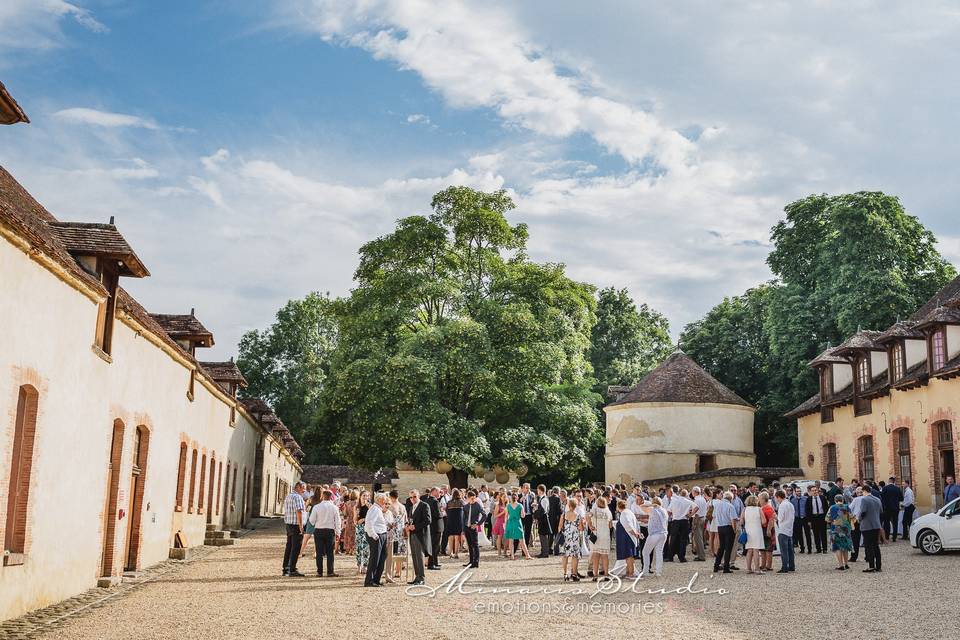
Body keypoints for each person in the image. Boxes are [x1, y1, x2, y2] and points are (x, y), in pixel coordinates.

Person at [308, 489, 342, 577]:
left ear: (323, 496)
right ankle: (330, 571)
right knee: (330, 552)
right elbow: (338, 522)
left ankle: (319, 572)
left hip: (319, 530)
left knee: (319, 552)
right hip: (330, 531)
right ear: (331, 497)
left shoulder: (316, 507)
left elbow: (311, 521)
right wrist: (338, 532)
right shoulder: (334, 508)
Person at [851, 487, 883, 573]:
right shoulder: (877, 499)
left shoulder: (864, 500)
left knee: (869, 546)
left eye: (862, 492)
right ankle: (879, 566)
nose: (862, 494)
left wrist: (859, 519)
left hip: (867, 525)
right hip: (876, 524)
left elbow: (863, 512)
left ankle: (871, 566)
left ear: (865, 491)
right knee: (876, 545)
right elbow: (880, 511)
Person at [405, 490, 430, 585]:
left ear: (418, 496)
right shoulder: (411, 507)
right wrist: (407, 525)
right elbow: (411, 520)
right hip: (412, 534)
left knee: (419, 556)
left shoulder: (424, 505)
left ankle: (422, 578)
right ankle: (417, 577)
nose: (412, 499)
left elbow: (428, 520)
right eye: (411, 497)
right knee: (414, 556)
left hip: (420, 535)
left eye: (414, 496)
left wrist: (415, 526)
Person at [282, 482, 307, 577]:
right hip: (296, 525)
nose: (304, 490)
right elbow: (299, 512)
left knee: (289, 546)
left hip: (289, 524)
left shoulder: (289, 496)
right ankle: (292, 569)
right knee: (296, 548)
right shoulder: (298, 497)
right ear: (298, 487)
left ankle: (286, 568)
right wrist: (301, 526)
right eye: (303, 488)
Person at [363, 494, 388, 587]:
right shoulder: (374, 509)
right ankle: (369, 580)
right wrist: (374, 535)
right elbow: (369, 523)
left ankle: (376, 579)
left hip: (382, 534)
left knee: (382, 557)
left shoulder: (378, 509)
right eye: (384, 500)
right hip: (377, 536)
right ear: (380, 500)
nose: (385, 502)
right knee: (375, 558)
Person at [640, 497, 668, 578]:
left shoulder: (652, 509)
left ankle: (645, 571)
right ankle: (658, 572)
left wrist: (651, 504)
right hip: (663, 533)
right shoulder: (664, 510)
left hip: (655, 534)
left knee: (645, 552)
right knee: (659, 553)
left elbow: (641, 506)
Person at [713, 491, 738, 574]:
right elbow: (733, 519)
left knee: (721, 547)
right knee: (728, 548)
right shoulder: (730, 506)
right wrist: (734, 529)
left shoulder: (717, 505)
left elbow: (714, 516)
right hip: (728, 527)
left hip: (720, 527)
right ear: (730, 498)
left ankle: (716, 566)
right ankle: (726, 567)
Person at [613, 501, 639, 579]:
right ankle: (628, 572)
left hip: (627, 537)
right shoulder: (628, 512)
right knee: (628, 556)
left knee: (629, 556)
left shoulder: (624, 513)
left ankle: (631, 573)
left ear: (618, 506)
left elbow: (627, 525)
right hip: (628, 537)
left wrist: (635, 533)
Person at [588, 496, 612, 581]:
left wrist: (590, 525)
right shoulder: (608, 511)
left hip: (596, 534)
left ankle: (595, 576)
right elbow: (610, 525)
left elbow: (588, 515)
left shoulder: (594, 510)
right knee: (605, 556)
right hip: (605, 535)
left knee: (596, 556)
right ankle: (606, 575)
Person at [560, 499, 584, 581]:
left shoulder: (563, 515)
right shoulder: (578, 515)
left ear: (568, 505)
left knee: (565, 555)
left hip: (566, 536)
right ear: (575, 506)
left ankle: (565, 573)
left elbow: (559, 527)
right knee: (575, 556)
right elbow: (581, 528)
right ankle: (574, 573)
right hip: (575, 537)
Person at [461, 490, 486, 568]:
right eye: (470, 498)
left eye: (473, 498)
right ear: (468, 498)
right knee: (469, 545)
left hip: (473, 527)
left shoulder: (477, 505)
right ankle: (471, 561)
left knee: (475, 544)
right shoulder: (465, 506)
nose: (472, 499)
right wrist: (463, 529)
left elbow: (484, 515)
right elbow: (463, 518)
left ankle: (476, 561)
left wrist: (477, 524)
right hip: (466, 527)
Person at [827, 494, 853, 570]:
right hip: (846, 528)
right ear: (842, 500)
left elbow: (827, 518)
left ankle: (841, 565)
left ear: (835, 500)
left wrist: (833, 520)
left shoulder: (832, 507)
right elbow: (852, 516)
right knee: (845, 545)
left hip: (836, 528)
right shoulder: (847, 507)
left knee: (837, 546)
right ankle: (846, 563)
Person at [742, 495, 766, 574]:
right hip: (757, 530)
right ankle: (757, 569)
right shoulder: (759, 509)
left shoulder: (745, 509)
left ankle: (749, 568)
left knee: (749, 550)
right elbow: (764, 521)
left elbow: (741, 521)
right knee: (756, 550)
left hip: (748, 530)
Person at [387, 490, 407, 581]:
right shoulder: (403, 506)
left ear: (391, 497)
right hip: (401, 531)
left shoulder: (391, 506)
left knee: (392, 552)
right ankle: (398, 571)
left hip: (394, 531)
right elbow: (405, 519)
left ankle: (391, 571)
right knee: (399, 551)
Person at [504, 493, 531, 560]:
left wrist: (505, 525)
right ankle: (527, 555)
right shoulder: (520, 505)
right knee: (522, 540)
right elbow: (523, 516)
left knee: (511, 540)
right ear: (517, 498)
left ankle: (512, 556)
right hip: (517, 523)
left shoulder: (508, 506)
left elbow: (506, 516)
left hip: (510, 524)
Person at [774, 490, 795, 573]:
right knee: (790, 549)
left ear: (779, 497)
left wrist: (775, 516)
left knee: (784, 550)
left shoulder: (782, 505)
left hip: (783, 529)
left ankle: (784, 567)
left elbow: (780, 518)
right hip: (789, 528)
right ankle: (791, 566)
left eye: (776, 498)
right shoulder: (790, 504)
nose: (776, 499)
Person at [806, 486, 829, 553]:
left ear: (818, 491)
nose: (815, 492)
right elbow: (807, 510)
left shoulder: (822, 498)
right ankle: (818, 549)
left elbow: (826, 508)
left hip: (822, 517)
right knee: (816, 534)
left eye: (816, 490)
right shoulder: (809, 499)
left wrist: (827, 518)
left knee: (823, 533)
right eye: (813, 490)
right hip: (814, 518)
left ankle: (825, 549)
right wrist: (809, 521)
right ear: (810, 492)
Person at [424, 488, 442, 570]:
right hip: (436, 526)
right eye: (438, 492)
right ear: (434, 492)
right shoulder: (435, 501)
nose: (440, 493)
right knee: (435, 546)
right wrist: (443, 512)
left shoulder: (427, 500)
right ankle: (431, 564)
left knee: (433, 545)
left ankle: (435, 562)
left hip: (430, 526)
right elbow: (438, 514)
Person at [880, 477, 903, 541]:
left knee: (887, 522)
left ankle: (887, 536)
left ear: (889, 481)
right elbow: (901, 498)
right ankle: (894, 537)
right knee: (895, 522)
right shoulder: (897, 489)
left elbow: (882, 497)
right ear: (894, 482)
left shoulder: (885, 488)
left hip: (887, 508)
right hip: (895, 508)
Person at [789, 485, 810, 553]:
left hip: (805, 518)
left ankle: (809, 548)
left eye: (800, 491)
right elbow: (792, 510)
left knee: (807, 533)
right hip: (797, 518)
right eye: (797, 491)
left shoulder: (805, 498)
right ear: (795, 492)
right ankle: (802, 548)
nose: (799, 492)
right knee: (799, 534)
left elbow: (808, 508)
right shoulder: (792, 500)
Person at [354, 490, 370, 575]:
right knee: (359, 548)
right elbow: (355, 520)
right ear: (360, 496)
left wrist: (363, 519)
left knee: (366, 548)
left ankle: (365, 566)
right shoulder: (357, 507)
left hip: (367, 528)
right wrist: (356, 516)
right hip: (359, 529)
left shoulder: (370, 507)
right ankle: (359, 565)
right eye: (364, 495)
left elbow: (372, 518)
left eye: (367, 496)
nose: (365, 497)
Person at [445, 489, 464, 560]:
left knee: (450, 537)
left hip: (450, 520)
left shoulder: (449, 502)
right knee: (457, 537)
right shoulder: (461, 502)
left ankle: (450, 552)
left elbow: (446, 511)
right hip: (459, 521)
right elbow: (465, 511)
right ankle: (456, 553)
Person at [759, 492, 776, 572]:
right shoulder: (762, 507)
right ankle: (763, 564)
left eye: (760, 498)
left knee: (769, 549)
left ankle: (768, 565)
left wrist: (769, 530)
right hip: (762, 530)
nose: (759, 500)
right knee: (762, 548)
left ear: (763, 499)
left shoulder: (768, 508)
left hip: (767, 529)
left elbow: (771, 520)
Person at [534, 484, 552, 558]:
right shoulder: (542, 498)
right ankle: (543, 551)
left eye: (538, 490)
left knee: (543, 536)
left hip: (543, 520)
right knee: (542, 536)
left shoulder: (544, 499)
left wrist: (535, 511)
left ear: (541, 491)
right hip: (543, 519)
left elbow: (543, 511)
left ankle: (545, 553)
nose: (537, 492)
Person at [690, 486, 707, 562]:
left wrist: (690, 514)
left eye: (692, 492)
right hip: (702, 518)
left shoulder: (697, 499)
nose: (692, 493)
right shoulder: (703, 498)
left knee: (698, 538)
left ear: (695, 492)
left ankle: (701, 556)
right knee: (700, 537)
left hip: (698, 518)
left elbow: (696, 508)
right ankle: (701, 555)